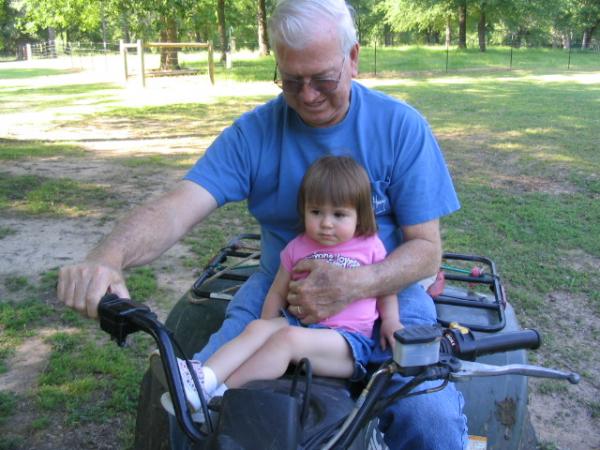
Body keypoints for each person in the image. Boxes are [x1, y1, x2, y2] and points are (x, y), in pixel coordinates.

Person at [57, 0, 467, 447]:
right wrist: (108, 256)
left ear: (353, 58)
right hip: (279, 283)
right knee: (193, 402)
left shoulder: (401, 127)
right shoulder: (255, 133)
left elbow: (426, 249)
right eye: (291, 81)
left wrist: (359, 283)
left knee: (429, 419)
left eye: (323, 79)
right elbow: (178, 206)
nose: (307, 95)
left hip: (389, 287)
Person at [153, 156, 402, 419]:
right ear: (304, 210)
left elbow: (384, 286)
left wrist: (391, 320)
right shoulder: (298, 247)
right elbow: (277, 291)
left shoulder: (368, 246)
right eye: (316, 212)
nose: (326, 223)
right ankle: (202, 381)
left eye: (339, 214)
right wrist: (264, 329)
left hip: (347, 343)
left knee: (286, 339)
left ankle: (221, 399)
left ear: (359, 215)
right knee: (258, 327)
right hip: (300, 325)